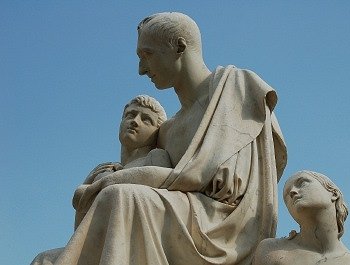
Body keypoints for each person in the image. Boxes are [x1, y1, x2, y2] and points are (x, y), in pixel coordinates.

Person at [32, 12, 287, 265]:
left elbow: (201, 178)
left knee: (121, 197)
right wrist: (109, 175)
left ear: (179, 46)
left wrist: (108, 183)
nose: (142, 69)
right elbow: (148, 171)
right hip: (177, 219)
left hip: (227, 228)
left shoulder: (237, 87)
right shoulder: (168, 130)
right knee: (46, 259)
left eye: (147, 55)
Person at [31, 94, 170, 264]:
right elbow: (81, 232)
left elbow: (161, 205)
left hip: (133, 245)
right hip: (98, 245)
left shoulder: (155, 157)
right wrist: (88, 183)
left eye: (146, 119)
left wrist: (94, 188)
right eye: (130, 115)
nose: (135, 121)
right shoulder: (104, 169)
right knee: (44, 259)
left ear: (156, 132)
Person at [252, 170, 350, 265]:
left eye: (302, 183)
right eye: (286, 196)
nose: (292, 192)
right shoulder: (272, 250)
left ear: (334, 194)